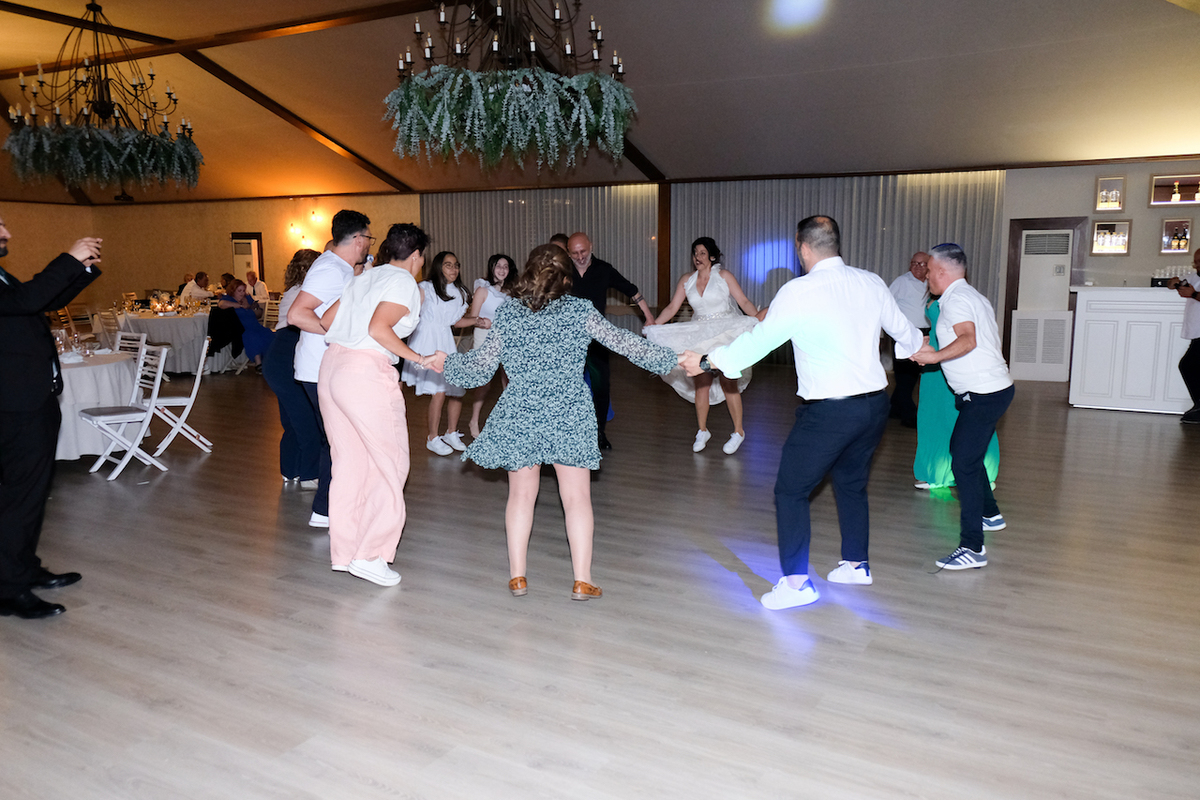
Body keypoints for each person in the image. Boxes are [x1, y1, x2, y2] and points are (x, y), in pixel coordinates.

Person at [681, 216, 922, 610]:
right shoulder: (871, 282)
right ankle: (856, 565)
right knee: (851, 484)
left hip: (830, 412)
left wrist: (708, 360)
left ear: (803, 248)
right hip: (874, 406)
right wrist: (928, 352)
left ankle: (796, 585)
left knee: (791, 491)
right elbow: (908, 336)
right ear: (835, 244)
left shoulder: (799, 291)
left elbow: (759, 342)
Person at [442, 245, 676, 600]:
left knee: (520, 495)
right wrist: (672, 359)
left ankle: (518, 577)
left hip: (522, 408)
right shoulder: (580, 310)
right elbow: (624, 343)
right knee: (577, 498)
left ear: (528, 273)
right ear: (566, 279)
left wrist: (443, 362)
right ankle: (582, 580)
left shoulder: (509, 313)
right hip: (569, 409)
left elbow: (480, 367)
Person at [317, 223, 439, 586]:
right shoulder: (404, 282)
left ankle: (346, 552)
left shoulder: (365, 276)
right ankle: (371, 555)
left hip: (333, 367)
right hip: (365, 372)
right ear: (416, 255)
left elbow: (326, 320)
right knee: (392, 464)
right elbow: (378, 329)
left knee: (349, 464)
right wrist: (420, 359)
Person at [0, 214, 101, 619]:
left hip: (29, 398)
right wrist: (69, 259)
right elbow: (27, 300)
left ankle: (23, 568)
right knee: (19, 497)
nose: (7, 232)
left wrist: (81, 270)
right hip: (13, 405)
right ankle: (9, 589)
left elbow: (38, 301)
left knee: (29, 494)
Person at [911, 243, 1014, 570]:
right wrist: (933, 349)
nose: (926, 277)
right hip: (992, 390)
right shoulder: (972, 296)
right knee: (966, 455)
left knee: (963, 463)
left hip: (983, 393)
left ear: (941, 271)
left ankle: (972, 547)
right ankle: (990, 514)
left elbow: (968, 339)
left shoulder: (956, 300)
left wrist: (934, 357)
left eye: (929, 271)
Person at [287, 209, 374, 528]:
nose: (369, 244)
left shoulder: (341, 268)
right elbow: (297, 315)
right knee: (340, 441)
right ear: (358, 239)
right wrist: (336, 333)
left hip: (328, 368)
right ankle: (326, 510)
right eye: (368, 238)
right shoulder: (329, 269)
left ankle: (327, 510)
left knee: (337, 441)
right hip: (318, 369)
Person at [646, 237, 763, 454]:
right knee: (701, 382)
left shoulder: (724, 276)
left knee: (729, 381)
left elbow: (744, 302)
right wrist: (653, 326)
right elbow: (672, 308)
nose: (697, 257)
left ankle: (738, 431)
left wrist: (759, 321)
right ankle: (702, 430)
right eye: (695, 253)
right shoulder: (687, 280)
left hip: (725, 332)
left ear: (711, 256)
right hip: (700, 333)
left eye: (702, 253)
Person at [566, 231, 656, 450]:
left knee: (601, 386)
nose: (580, 257)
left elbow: (631, 290)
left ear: (591, 246)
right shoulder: (563, 272)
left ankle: (599, 433)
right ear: (568, 253)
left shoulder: (603, 269)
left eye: (583, 251)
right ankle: (568, 433)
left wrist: (649, 317)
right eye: (575, 253)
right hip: (569, 340)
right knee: (568, 387)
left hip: (597, 339)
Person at [913, 295, 1000, 489]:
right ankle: (936, 472)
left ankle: (978, 472)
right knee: (934, 414)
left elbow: (969, 335)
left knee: (964, 415)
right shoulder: (936, 292)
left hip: (955, 358)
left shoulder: (962, 297)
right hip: (934, 365)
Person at [400, 251, 478, 455]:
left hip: (445, 340)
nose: (454, 269)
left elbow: (454, 321)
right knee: (439, 391)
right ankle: (432, 437)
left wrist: (476, 321)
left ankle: (451, 432)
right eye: (448, 265)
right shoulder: (425, 287)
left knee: (456, 388)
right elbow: (410, 313)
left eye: (456, 265)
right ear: (438, 267)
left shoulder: (460, 292)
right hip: (427, 340)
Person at [262, 249, 321, 485]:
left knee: (292, 418)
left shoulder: (292, 290)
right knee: (306, 418)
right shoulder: (307, 293)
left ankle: (290, 470)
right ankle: (310, 474)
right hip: (288, 355)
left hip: (279, 355)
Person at [465, 253, 517, 438]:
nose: (502, 270)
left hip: (506, 338)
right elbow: (472, 318)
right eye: (498, 266)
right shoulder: (483, 290)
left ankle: (509, 422)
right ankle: (474, 420)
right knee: (485, 383)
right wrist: (484, 323)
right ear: (492, 268)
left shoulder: (512, 293)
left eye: (505, 266)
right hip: (485, 338)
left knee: (509, 380)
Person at [888, 252, 930, 428]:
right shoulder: (901, 282)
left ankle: (893, 408)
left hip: (926, 333)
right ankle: (909, 416)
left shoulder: (932, 282)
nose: (917, 267)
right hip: (905, 334)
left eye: (922, 264)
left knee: (912, 376)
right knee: (904, 375)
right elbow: (887, 305)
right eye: (914, 263)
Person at [1167, 251, 1200, 423]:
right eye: (1195, 262)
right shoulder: (1193, 277)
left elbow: (1194, 295)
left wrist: (1193, 294)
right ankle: (1198, 405)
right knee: (1189, 366)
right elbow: (1171, 283)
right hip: (1196, 332)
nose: (1197, 265)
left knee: (1187, 365)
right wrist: (1174, 283)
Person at [218, 279, 273, 366]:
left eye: (243, 290)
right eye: (239, 291)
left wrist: (251, 307)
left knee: (268, 334)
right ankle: (258, 362)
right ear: (233, 290)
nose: (242, 293)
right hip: (240, 327)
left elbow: (259, 313)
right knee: (252, 335)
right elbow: (221, 304)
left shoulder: (248, 298)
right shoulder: (228, 299)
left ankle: (268, 360)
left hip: (254, 325)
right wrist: (240, 306)